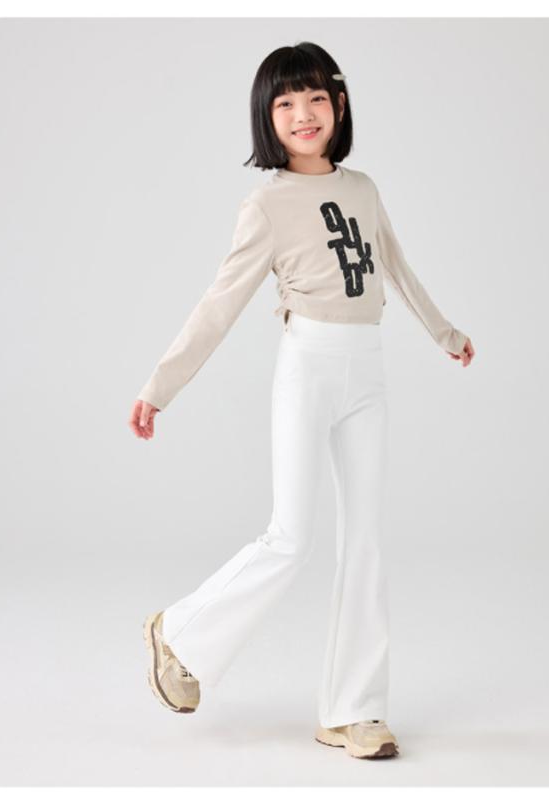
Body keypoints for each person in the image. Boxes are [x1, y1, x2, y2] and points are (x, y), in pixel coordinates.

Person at [130, 41, 474, 760]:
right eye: (285, 102)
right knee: (291, 536)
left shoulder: (364, 189)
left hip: (367, 371)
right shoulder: (266, 203)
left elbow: (397, 267)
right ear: (267, 117)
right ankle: (180, 632)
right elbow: (219, 303)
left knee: (366, 539)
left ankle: (354, 710)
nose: (303, 113)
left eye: (316, 97)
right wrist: (161, 386)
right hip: (307, 366)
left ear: (339, 105)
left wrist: (445, 333)